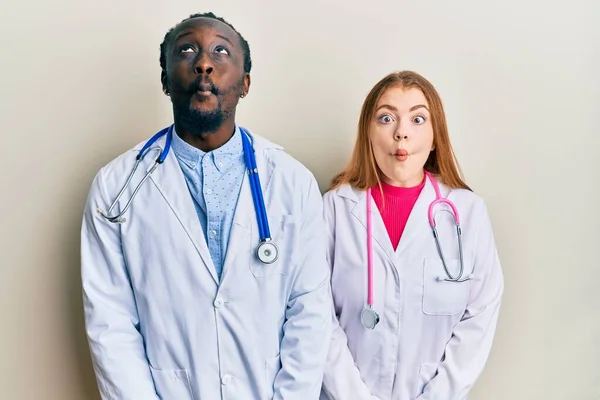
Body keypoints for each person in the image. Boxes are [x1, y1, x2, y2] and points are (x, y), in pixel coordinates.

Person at [81, 12, 331, 400]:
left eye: (220, 51)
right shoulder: (116, 187)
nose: (203, 62)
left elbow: (310, 313)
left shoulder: (291, 182)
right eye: (187, 50)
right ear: (165, 80)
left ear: (245, 82)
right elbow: (110, 325)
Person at [320, 71, 504, 400]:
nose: (401, 133)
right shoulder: (335, 209)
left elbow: (480, 314)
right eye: (386, 118)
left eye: (418, 119)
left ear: (436, 137)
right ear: (368, 133)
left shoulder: (468, 212)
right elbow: (316, 313)